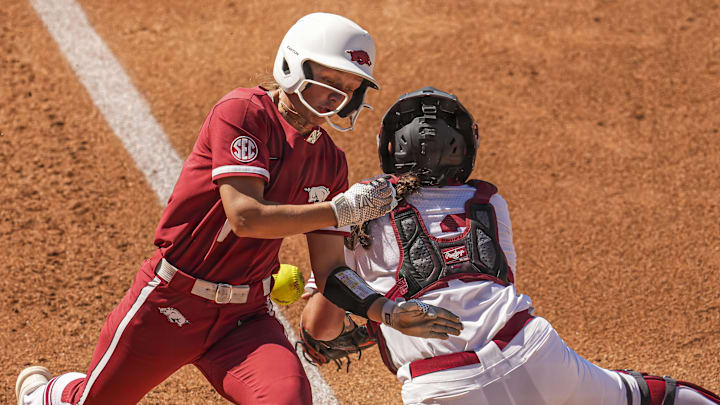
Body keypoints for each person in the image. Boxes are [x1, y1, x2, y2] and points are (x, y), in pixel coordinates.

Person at [14, 15, 463, 405]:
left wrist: (384, 310)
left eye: (348, 89)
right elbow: (245, 216)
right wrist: (341, 211)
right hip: (171, 305)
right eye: (330, 80)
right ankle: (50, 393)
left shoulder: (331, 161)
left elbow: (329, 271)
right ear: (293, 64)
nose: (337, 98)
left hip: (244, 319)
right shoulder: (243, 112)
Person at [299, 87, 720, 405]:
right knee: (651, 396)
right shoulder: (488, 204)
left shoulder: (355, 210)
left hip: (440, 387)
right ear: (465, 150)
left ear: (389, 148)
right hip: (534, 351)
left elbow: (323, 330)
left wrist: (361, 311)